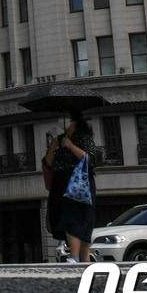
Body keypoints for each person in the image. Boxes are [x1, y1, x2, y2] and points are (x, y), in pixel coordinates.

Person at [43, 112, 96, 262]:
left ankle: (76, 257)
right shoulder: (59, 140)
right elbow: (48, 163)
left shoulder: (84, 138)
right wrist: (52, 147)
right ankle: (80, 259)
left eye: (65, 117)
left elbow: (90, 159)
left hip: (79, 183)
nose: (61, 121)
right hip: (61, 183)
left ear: (74, 121)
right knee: (67, 219)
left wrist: (71, 146)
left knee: (76, 220)